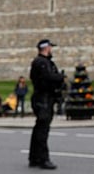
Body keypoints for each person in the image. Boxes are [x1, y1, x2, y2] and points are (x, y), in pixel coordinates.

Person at [28, 39, 64, 169]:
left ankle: (34, 157)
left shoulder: (44, 62)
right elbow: (47, 78)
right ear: (46, 48)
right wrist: (60, 78)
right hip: (43, 99)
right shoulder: (41, 62)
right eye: (50, 47)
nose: (51, 50)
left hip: (44, 98)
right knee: (42, 130)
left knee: (39, 129)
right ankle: (43, 159)